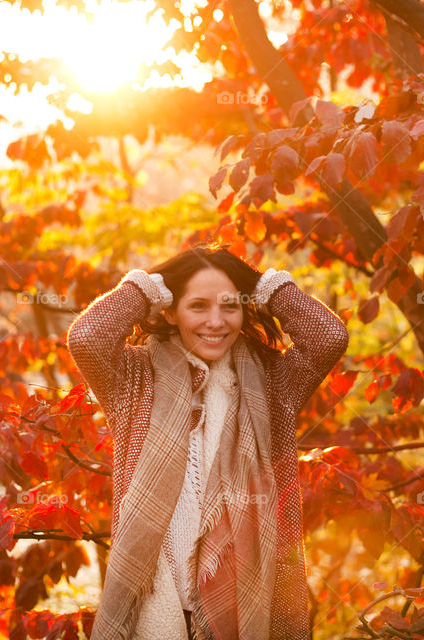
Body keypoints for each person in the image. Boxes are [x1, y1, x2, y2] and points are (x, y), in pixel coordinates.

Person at [65, 243, 349, 640]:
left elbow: (329, 337)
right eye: (198, 306)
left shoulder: (272, 381)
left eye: (230, 306)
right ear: (170, 310)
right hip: (157, 603)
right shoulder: (136, 378)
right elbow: (87, 338)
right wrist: (146, 287)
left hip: (240, 607)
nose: (215, 321)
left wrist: (262, 286)